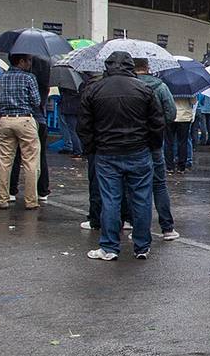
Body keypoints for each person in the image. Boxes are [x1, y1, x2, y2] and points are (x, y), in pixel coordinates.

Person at [80, 52, 167, 261]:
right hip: (138, 151)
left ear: (107, 66)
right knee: (142, 199)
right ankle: (142, 245)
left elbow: (84, 126)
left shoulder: (93, 89)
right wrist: (151, 146)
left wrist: (92, 148)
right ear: (131, 66)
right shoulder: (145, 89)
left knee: (110, 199)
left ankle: (109, 246)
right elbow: (157, 122)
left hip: (106, 152)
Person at [133, 58, 180, 240]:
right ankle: (167, 227)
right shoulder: (160, 87)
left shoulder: (129, 86)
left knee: (134, 186)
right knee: (159, 184)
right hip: (155, 142)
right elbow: (171, 113)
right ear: (147, 67)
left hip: (133, 143)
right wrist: (158, 126)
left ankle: (133, 224)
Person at [0, 55, 43, 210]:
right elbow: (36, 101)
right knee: (31, 162)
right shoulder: (29, 78)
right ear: (21, 61)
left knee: (5, 161)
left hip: (5, 120)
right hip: (25, 120)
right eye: (28, 60)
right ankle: (31, 200)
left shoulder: (2, 77)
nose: (29, 63)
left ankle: (2, 199)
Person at [168, 90, 195, 172]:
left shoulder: (168, 87)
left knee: (169, 142)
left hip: (171, 117)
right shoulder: (188, 88)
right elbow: (193, 101)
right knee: (183, 142)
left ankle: (169, 166)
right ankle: (181, 166)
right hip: (184, 117)